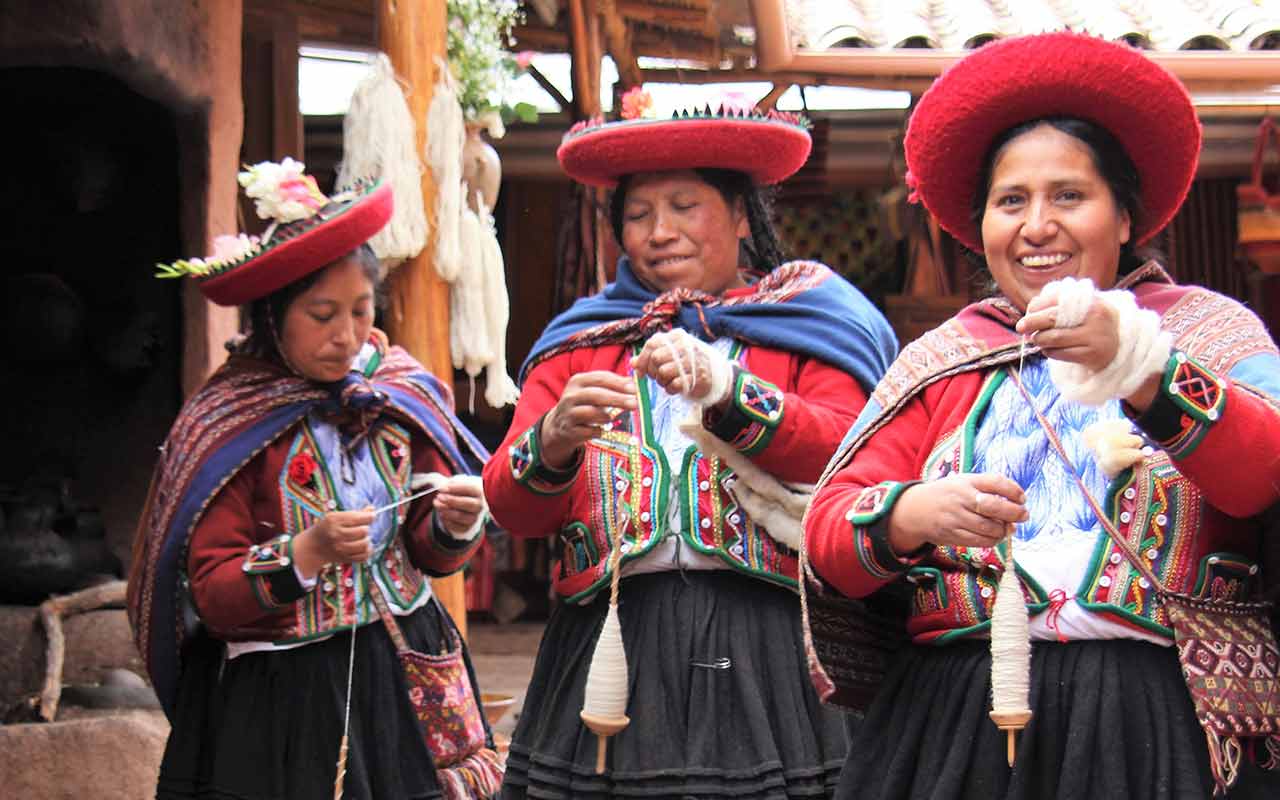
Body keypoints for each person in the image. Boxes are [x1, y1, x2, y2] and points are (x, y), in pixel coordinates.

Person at [804, 32, 1280, 799]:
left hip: (1162, 716)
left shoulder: (1208, 334)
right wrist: (910, 512)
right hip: (956, 717)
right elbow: (828, 534)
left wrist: (1141, 369)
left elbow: (1265, 474)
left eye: (1069, 196)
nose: (1036, 227)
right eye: (1010, 202)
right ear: (980, 226)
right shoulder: (942, 358)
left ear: (1125, 218)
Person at [481, 95, 898, 798]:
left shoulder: (810, 324)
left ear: (741, 215)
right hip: (609, 637)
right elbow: (512, 507)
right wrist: (551, 441)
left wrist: (730, 394)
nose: (660, 232)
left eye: (684, 206)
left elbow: (849, 452)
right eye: (639, 216)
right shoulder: (582, 343)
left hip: (766, 640)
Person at [127, 159, 503, 800]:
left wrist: (454, 521)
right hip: (287, 701)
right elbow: (212, 595)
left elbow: (427, 552)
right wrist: (306, 552)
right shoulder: (231, 421)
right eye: (322, 315)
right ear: (274, 317)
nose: (348, 335)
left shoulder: (394, 393)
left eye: (360, 311)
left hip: (404, 676)